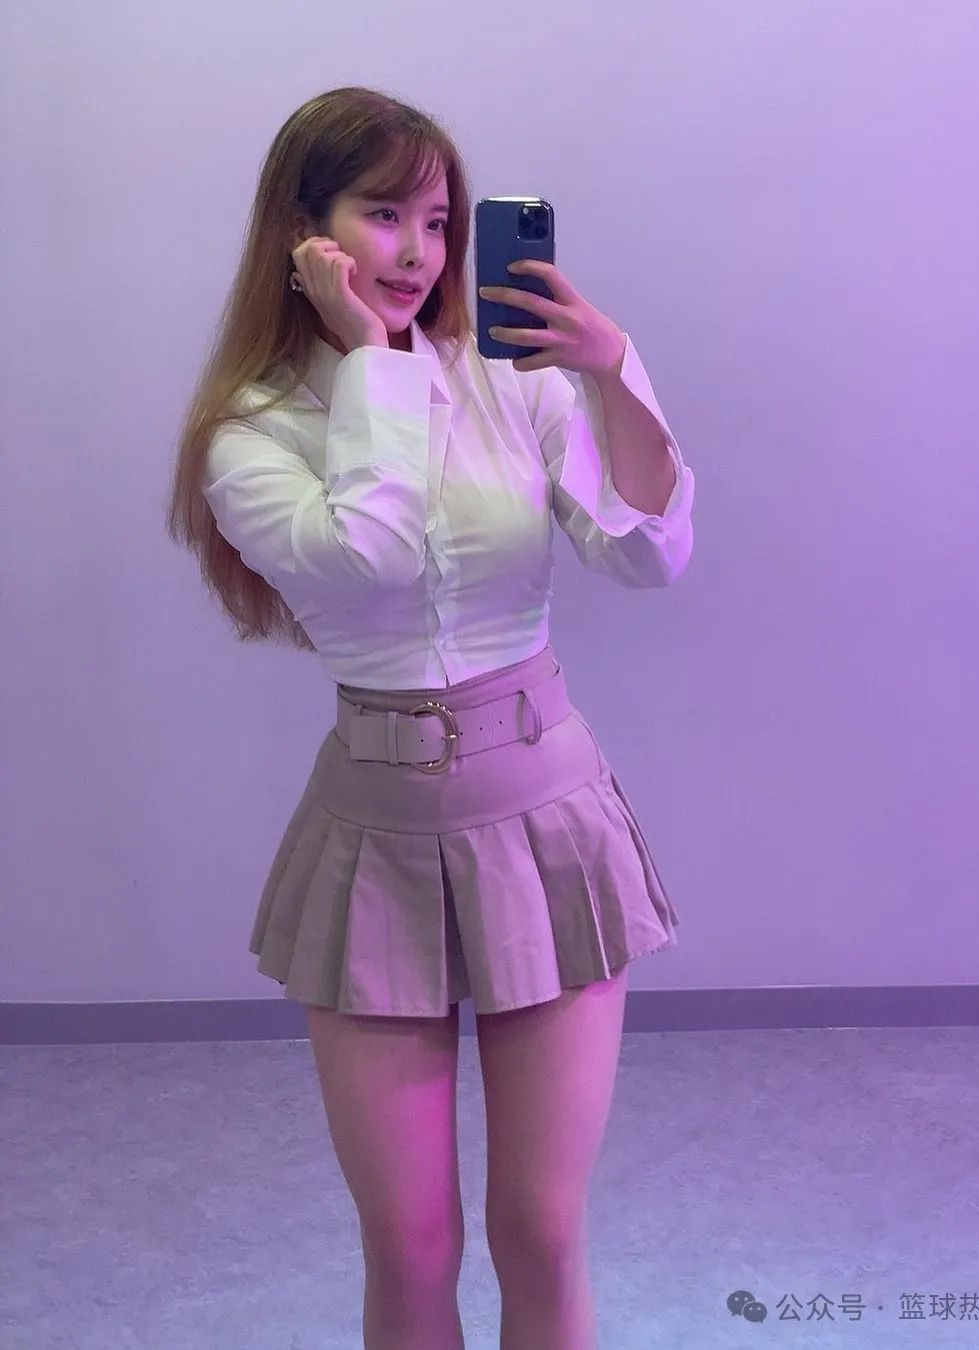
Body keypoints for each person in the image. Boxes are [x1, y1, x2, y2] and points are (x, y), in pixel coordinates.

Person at [166, 85, 695, 1350]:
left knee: (542, 1229)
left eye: (439, 220)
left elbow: (648, 554)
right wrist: (373, 363)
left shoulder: (514, 380)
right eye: (384, 214)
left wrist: (613, 374)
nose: (417, 252)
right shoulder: (250, 434)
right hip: (375, 838)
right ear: (304, 233)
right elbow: (372, 557)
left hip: (547, 818)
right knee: (408, 1246)